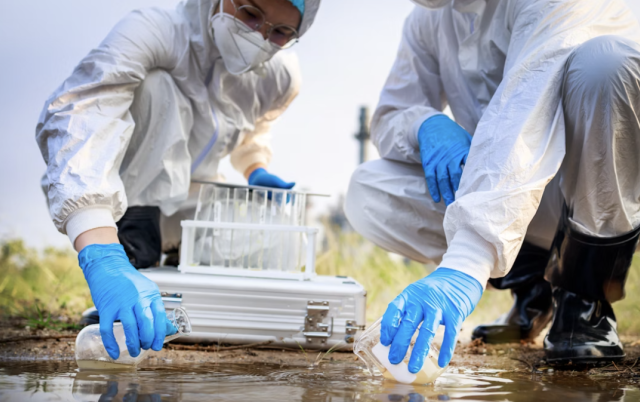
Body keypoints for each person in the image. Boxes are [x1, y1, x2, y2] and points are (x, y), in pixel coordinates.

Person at [345, 0, 640, 370]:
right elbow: (391, 115)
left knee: (605, 66)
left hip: (600, 184)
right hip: (511, 189)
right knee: (369, 189)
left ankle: (586, 301)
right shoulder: (428, 17)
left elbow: (524, 116)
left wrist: (466, 262)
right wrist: (424, 124)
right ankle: (534, 290)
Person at [36, 0, 321, 360]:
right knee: (157, 88)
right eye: (250, 13)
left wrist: (254, 167)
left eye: (280, 32)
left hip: (193, 202)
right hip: (123, 202)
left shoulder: (279, 75)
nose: (259, 36)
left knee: (278, 241)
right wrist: (98, 249)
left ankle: (172, 279)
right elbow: (82, 112)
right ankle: (132, 256)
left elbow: (255, 125)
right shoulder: (156, 31)